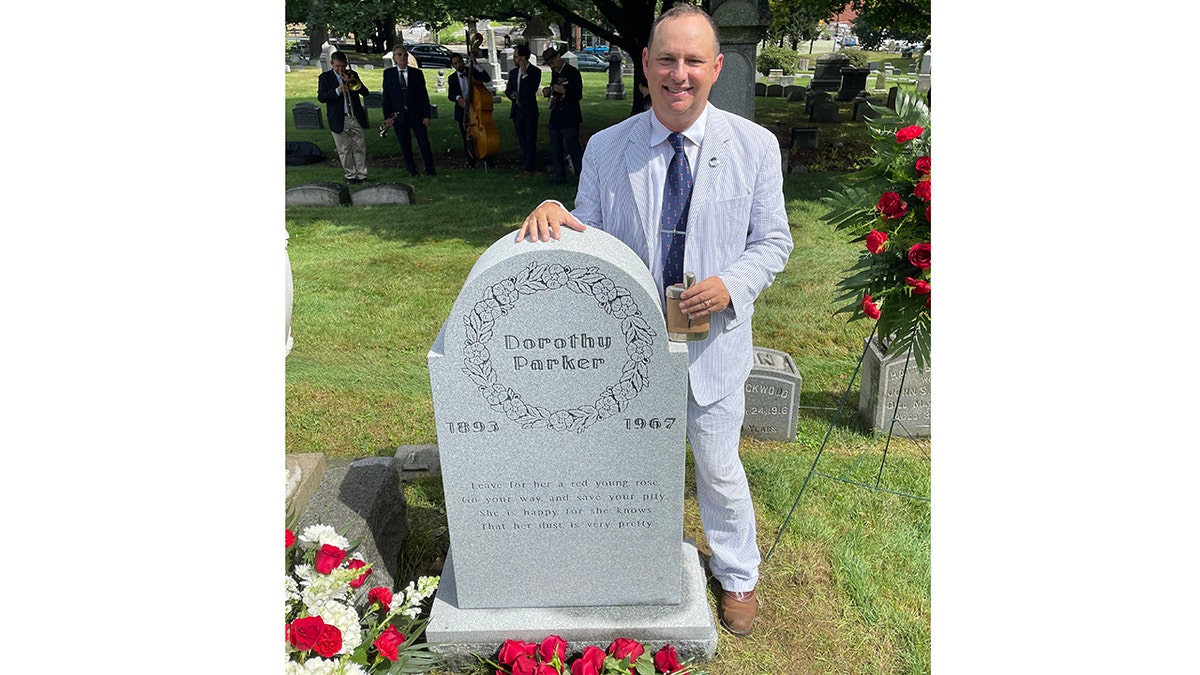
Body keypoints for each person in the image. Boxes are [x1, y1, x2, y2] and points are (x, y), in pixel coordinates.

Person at [515, 6, 793, 637]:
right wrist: (556, 207)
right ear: (645, 65)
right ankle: (627, 560)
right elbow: (589, 228)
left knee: (718, 467)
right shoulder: (607, 146)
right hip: (629, 349)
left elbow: (773, 242)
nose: (679, 73)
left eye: (694, 60)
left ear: (716, 68)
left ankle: (738, 572)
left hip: (712, 346)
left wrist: (732, 285)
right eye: (666, 59)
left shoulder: (754, 147)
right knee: (626, 466)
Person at [382, 45, 436, 177]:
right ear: (394, 58)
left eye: (405, 55)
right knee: (405, 145)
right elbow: (386, 97)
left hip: (416, 115)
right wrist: (387, 116)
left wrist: (426, 115)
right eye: (399, 55)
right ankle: (412, 170)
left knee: (424, 142)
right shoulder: (388, 74)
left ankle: (430, 168)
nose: (403, 57)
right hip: (399, 116)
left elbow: (423, 95)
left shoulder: (416, 73)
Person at [316, 51, 370, 184]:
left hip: (355, 116)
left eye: (343, 66)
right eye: (337, 66)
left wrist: (353, 82)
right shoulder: (325, 78)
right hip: (339, 118)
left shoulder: (352, 74)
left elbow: (365, 92)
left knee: (359, 147)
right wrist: (337, 91)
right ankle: (350, 175)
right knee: (344, 149)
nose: (340, 69)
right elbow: (322, 97)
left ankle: (362, 175)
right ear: (332, 64)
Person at [540, 47, 584, 185]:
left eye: (552, 63)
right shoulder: (555, 73)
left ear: (558, 57)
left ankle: (581, 177)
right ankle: (560, 176)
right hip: (556, 116)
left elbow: (578, 95)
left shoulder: (572, 72)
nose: (552, 66)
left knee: (573, 148)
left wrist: (565, 91)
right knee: (555, 148)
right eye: (549, 64)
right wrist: (549, 91)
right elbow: (553, 88)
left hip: (570, 116)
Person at [448, 52, 493, 169]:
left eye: (460, 62)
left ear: (463, 61)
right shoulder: (452, 78)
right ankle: (470, 161)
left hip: (476, 108)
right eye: (455, 63)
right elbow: (451, 95)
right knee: (466, 137)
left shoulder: (471, 71)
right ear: (453, 66)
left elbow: (486, 78)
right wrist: (459, 98)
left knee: (482, 135)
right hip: (462, 111)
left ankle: (486, 157)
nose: (459, 65)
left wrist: (476, 64)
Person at [505, 44, 541, 176]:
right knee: (522, 140)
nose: (515, 59)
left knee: (530, 139)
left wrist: (525, 73)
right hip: (517, 110)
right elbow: (508, 89)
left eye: (516, 57)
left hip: (529, 111)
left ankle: (529, 168)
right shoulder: (513, 73)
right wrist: (512, 95)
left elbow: (532, 89)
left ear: (523, 57)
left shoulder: (535, 72)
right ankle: (527, 164)